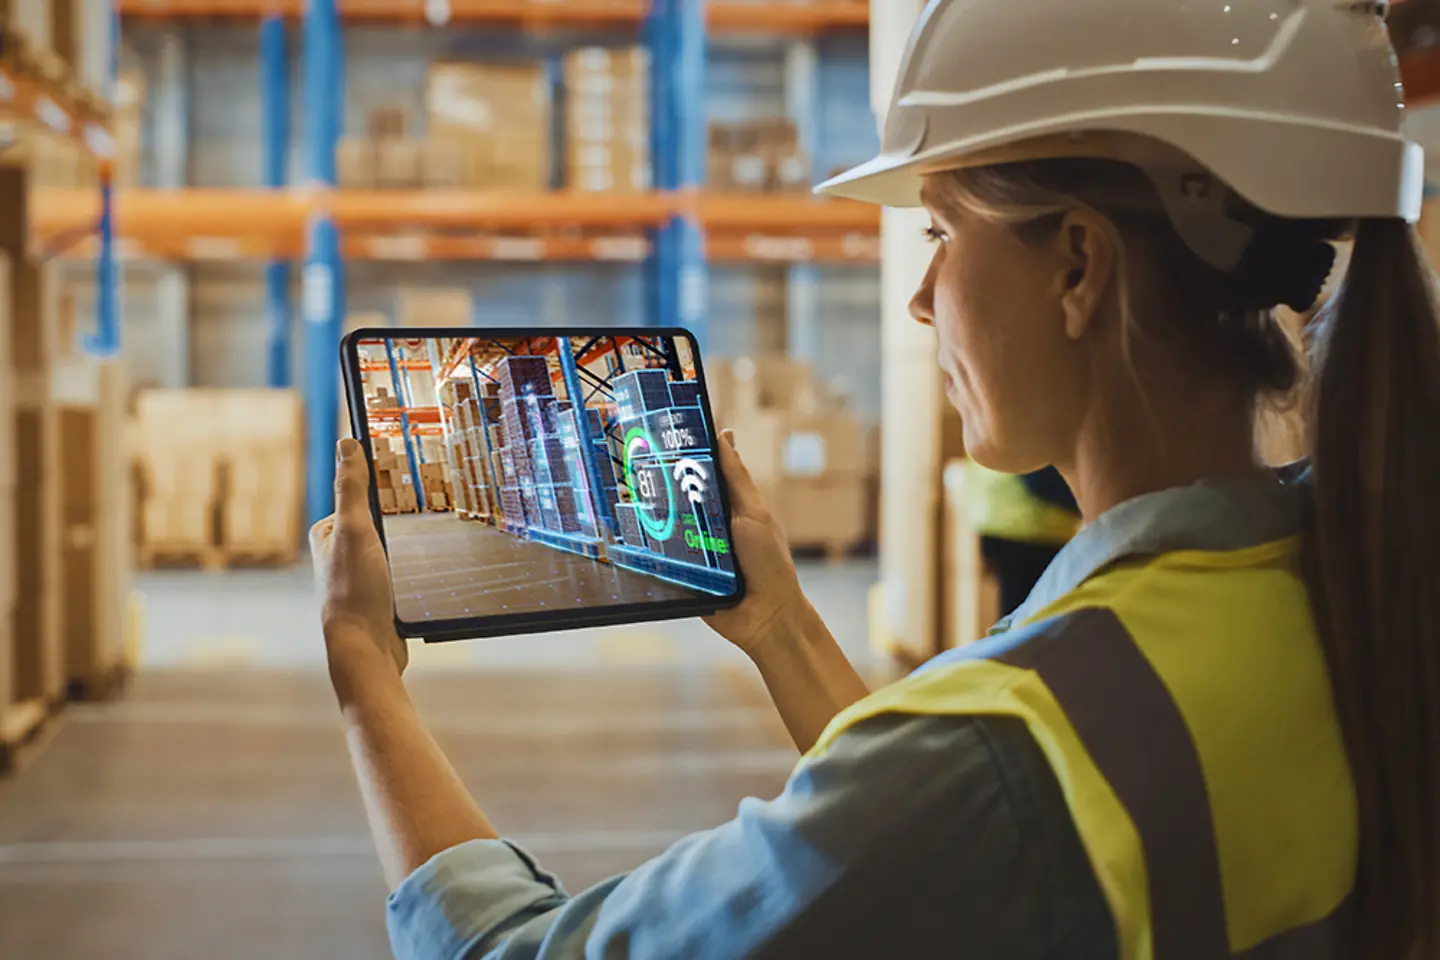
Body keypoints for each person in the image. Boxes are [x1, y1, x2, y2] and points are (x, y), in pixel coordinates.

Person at [311, 0, 1440, 956]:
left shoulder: (1010, 745)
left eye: (943, 229)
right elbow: (989, 843)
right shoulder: (1357, 585)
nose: (919, 293)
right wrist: (785, 630)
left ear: (1080, 268)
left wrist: (368, 681)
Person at [968, 464, 1081, 616]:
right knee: (1028, 618)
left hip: (1002, 519)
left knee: (1019, 616)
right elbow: (1039, 479)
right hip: (1029, 529)